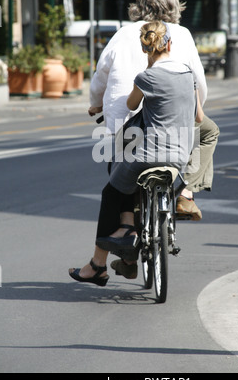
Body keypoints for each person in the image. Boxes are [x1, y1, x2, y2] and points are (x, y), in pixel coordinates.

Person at [69, 21, 203, 284]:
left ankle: (100, 262)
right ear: (170, 44)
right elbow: (199, 116)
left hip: (148, 155)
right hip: (180, 156)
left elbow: (131, 104)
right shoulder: (189, 76)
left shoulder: (146, 78)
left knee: (112, 190)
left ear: (146, 49)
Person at [89, 0, 219, 221]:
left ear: (139, 7)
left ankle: (125, 232)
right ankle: (186, 192)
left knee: (119, 160)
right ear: (174, 8)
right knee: (208, 132)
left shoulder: (123, 34)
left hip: (127, 126)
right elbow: (199, 84)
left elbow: (101, 76)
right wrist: (192, 103)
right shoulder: (182, 34)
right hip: (173, 126)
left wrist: (96, 102)